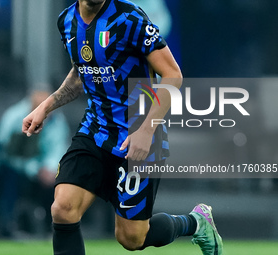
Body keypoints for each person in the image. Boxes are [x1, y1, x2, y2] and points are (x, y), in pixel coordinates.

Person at [22, 1, 223, 254]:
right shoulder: (67, 21)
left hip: (139, 136)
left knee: (131, 238)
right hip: (95, 132)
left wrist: (146, 130)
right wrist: (45, 107)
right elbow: (81, 73)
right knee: (62, 208)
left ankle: (196, 222)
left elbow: (173, 75)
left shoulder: (130, 19)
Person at [0, 89, 69, 237]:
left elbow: (57, 149)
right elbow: (5, 149)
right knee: (8, 176)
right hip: (14, 166)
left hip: (42, 170)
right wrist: (35, 169)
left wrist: (48, 168)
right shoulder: (14, 117)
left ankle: (55, 226)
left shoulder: (57, 120)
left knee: (59, 180)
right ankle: (6, 225)